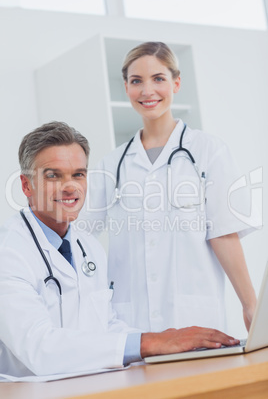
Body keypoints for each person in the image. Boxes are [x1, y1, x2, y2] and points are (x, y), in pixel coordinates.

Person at [0, 122, 239, 379]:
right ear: (26, 186)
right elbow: (39, 347)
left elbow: (106, 325)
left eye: (78, 174)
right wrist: (148, 343)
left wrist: (167, 344)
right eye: (53, 175)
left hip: (90, 386)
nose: (70, 187)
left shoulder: (88, 246)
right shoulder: (10, 250)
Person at [88, 41, 259, 334]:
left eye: (158, 79)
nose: (147, 91)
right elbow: (81, 238)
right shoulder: (111, 164)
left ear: (176, 83)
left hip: (194, 318)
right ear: (126, 87)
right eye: (136, 81)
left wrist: (250, 304)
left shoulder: (208, 151)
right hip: (130, 326)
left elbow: (224, 235)